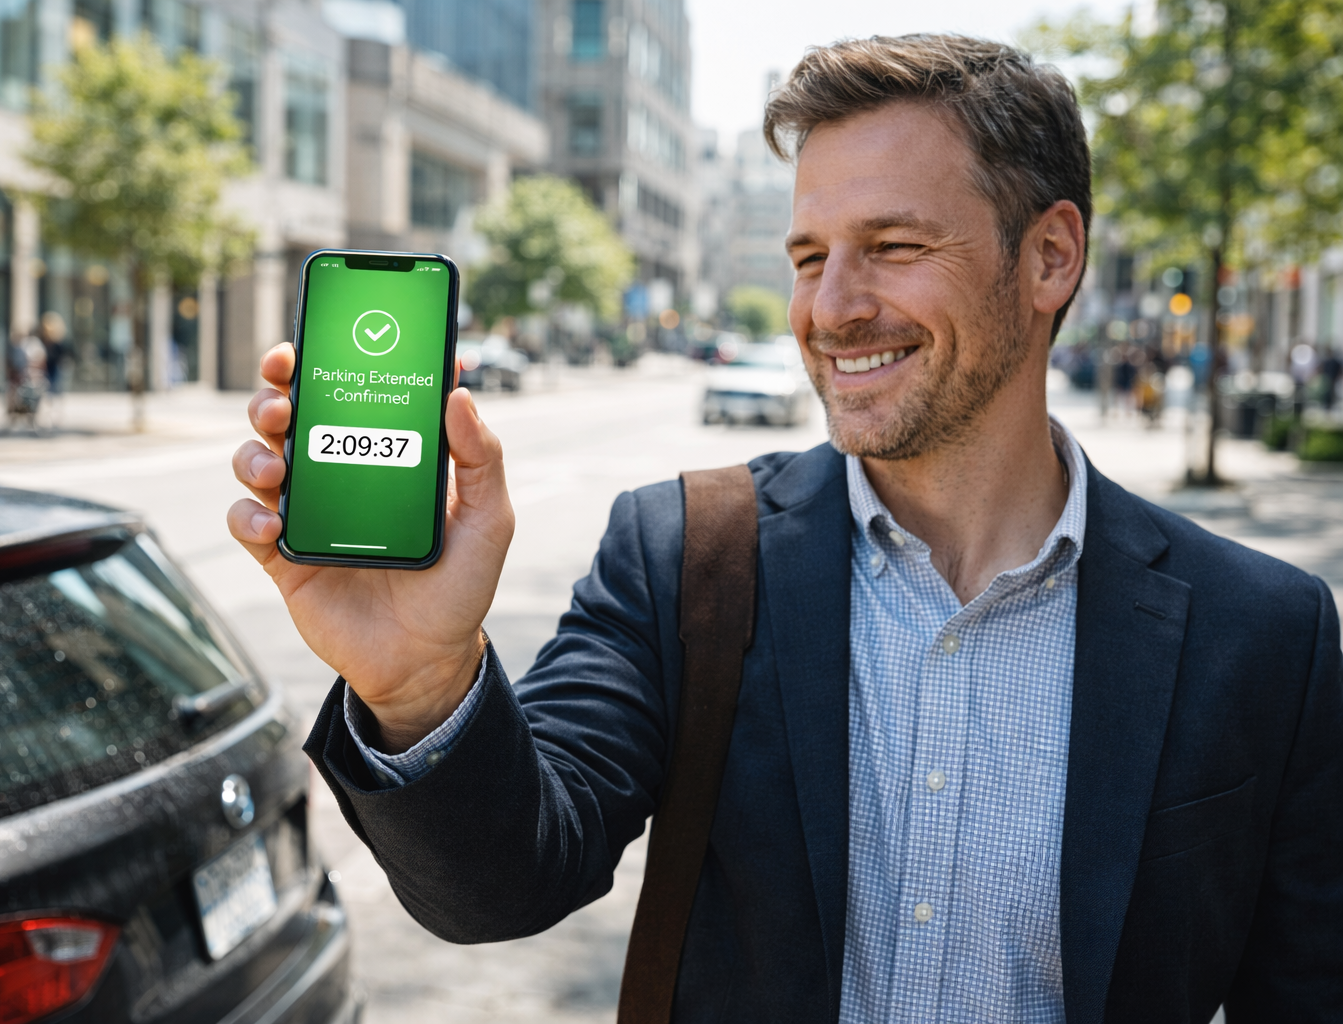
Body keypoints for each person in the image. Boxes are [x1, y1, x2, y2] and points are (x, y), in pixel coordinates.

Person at [229, 36, 1341, 1022]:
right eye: (810, 256)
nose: (830, 307)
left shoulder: (1263, 633)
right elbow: (505, 882)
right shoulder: (685, 555)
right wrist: (420, 679)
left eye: (894, 246)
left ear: (1050, 257)